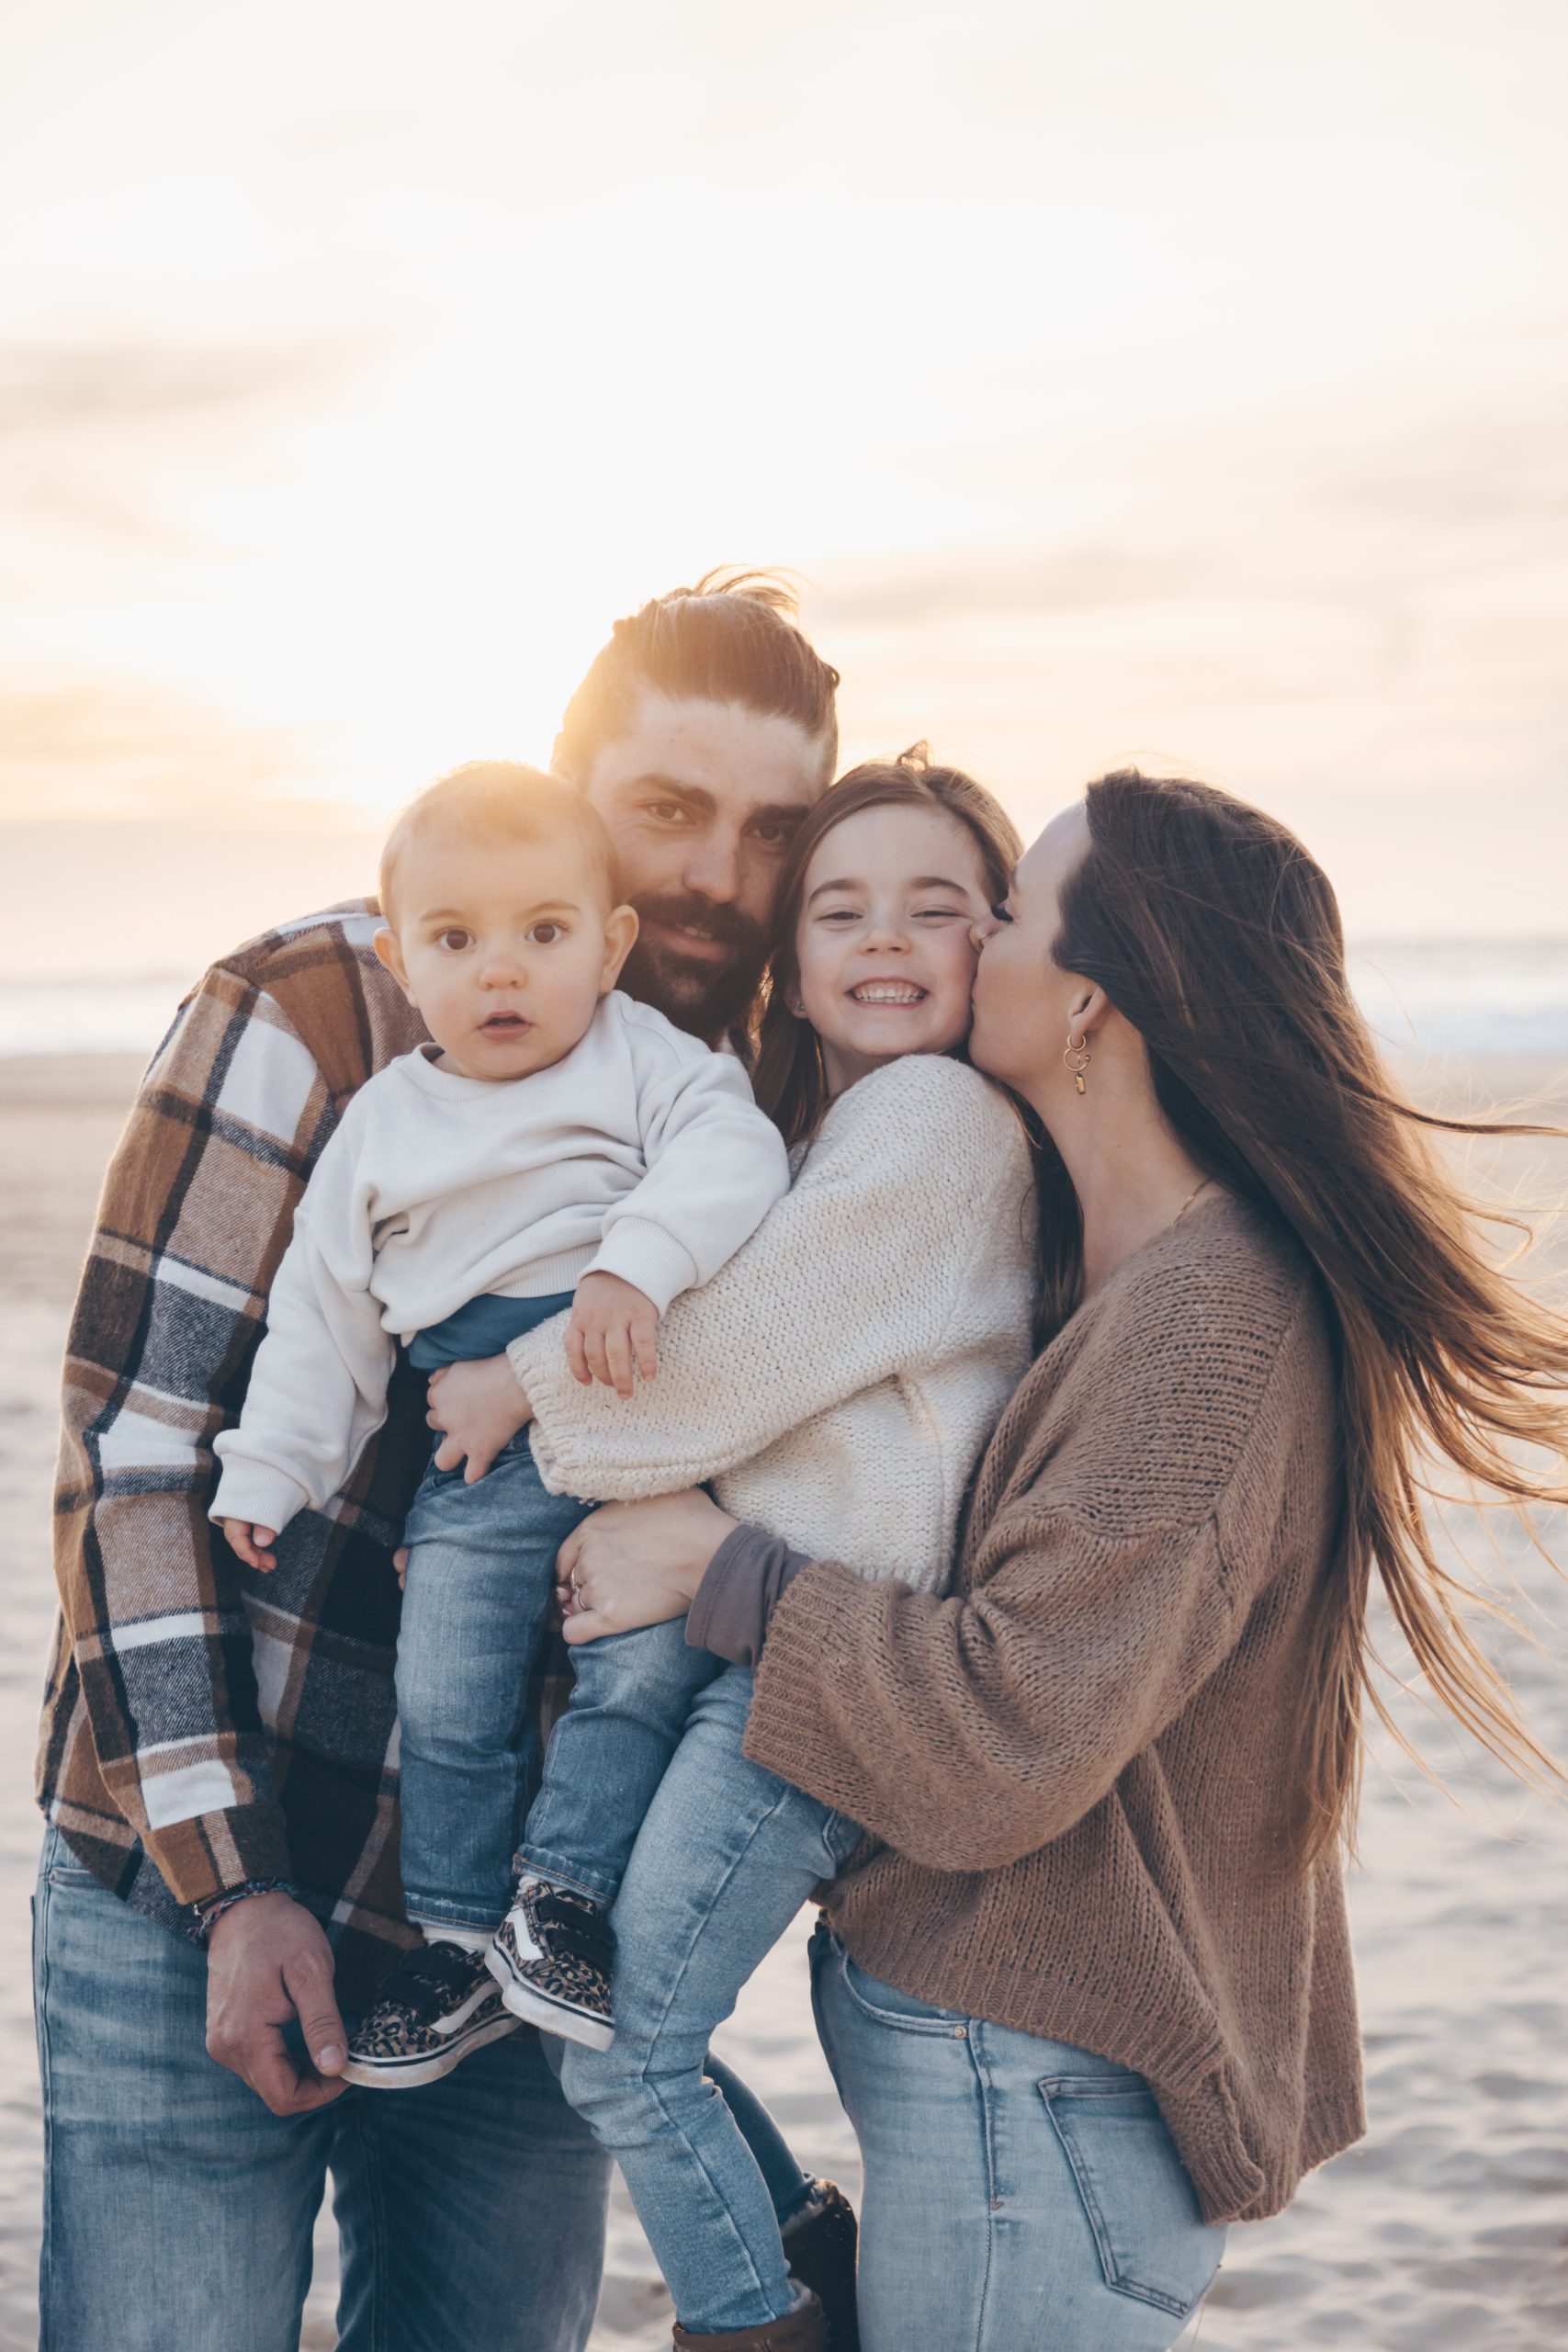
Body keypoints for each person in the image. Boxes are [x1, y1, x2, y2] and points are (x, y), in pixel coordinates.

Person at [542, 770, 1568, 2352]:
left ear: (1087, 999)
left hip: (1039, 2115)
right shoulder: (1082, 1261)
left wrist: (721, 1568)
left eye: (1005, 909)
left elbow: (1006, 1735)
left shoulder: (1213, 1324)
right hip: (999, 2096)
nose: (973, 938)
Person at [35, 572, 840, 2352]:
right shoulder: (320, 1007)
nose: (716, 868)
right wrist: (232, 1884)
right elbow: (140, 1451)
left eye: (768, 827)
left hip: (511, 1952)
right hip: (205, 1883)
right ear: (564, 778)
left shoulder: (763, 1090)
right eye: (665, 808)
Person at [424, 751, 1037, 2350]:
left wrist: (515, 1392)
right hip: (748, 1646)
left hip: (815, 1675)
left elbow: (732, 1359)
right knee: (591, 2016)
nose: (886, 938)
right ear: (793, 951)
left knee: (621, 2042)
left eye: (935, 908)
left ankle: (756, 2325)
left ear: (1002, 938)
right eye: (841, 908)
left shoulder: (937, 1117)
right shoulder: (828, 1128)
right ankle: (797, 2261)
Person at [211, 761, 790, 2076]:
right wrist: (272, 1466)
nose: (504, 973)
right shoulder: (381, 1125)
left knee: (635, 1674)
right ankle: (462, 1938)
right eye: (458, 941)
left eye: (545, 933)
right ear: (400, 953)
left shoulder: (649, 1059)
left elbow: (733, 1155)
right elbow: (325, 1315)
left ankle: (564, 1901)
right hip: (471, 1454)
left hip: (637, 1415)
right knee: (448, 1687)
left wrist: (632, 1261)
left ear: (611, 945)